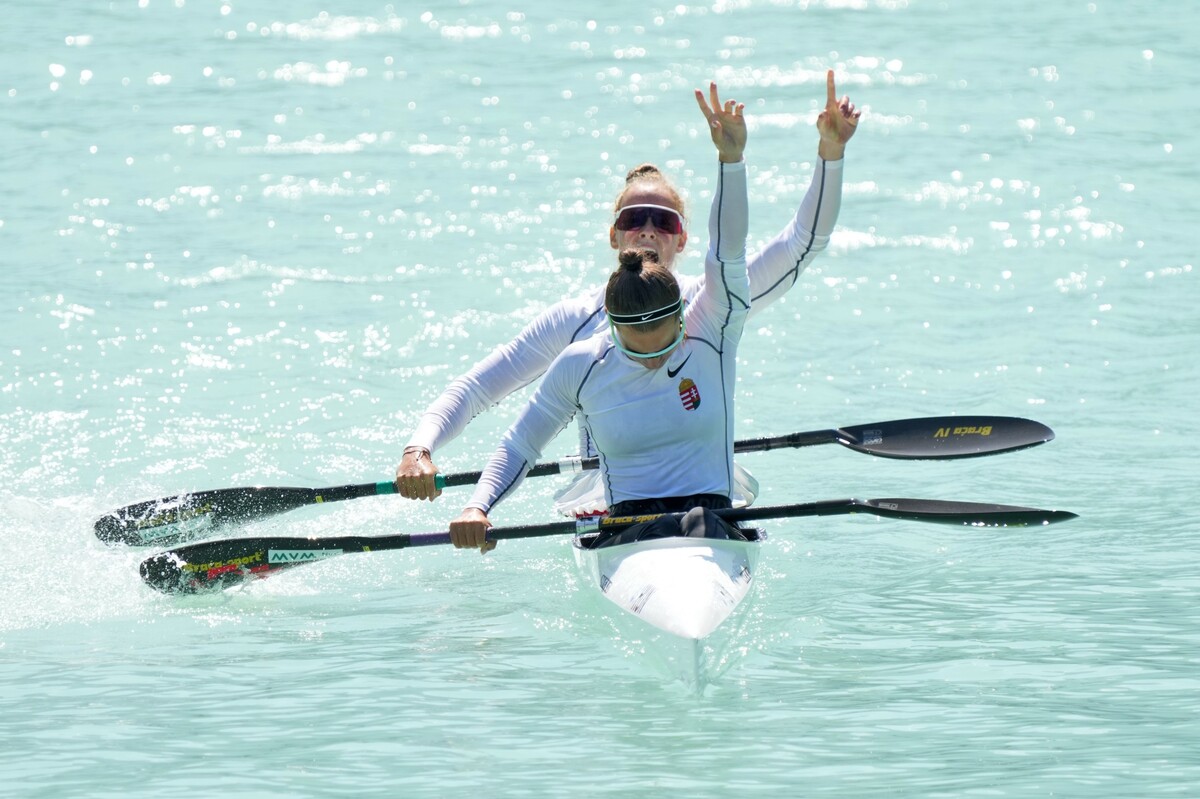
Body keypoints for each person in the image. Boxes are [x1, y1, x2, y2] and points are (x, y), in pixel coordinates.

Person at [398, 71, 860, 514]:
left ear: (681, 239)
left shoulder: (711, 307)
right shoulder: (574, 322)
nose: (647, 231)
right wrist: (420, 445)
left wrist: (831, 151)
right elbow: (478, 387)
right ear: (614, 236)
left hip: (698, 490)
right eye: (633, 219)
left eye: (664, 222)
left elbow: (802, 244)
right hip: (606, 501)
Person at [449, 84, 750, 552]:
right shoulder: (580, 362)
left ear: (683, 318)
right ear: (611, 327)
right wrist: (478, 507)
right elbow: (522, 444)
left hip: (713, 520)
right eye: (636, 342)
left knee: (701, 522)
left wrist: (731, 161)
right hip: (625, 531)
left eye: (664, 338)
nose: (651, 354)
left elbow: (727, 253)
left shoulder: (714, 327)